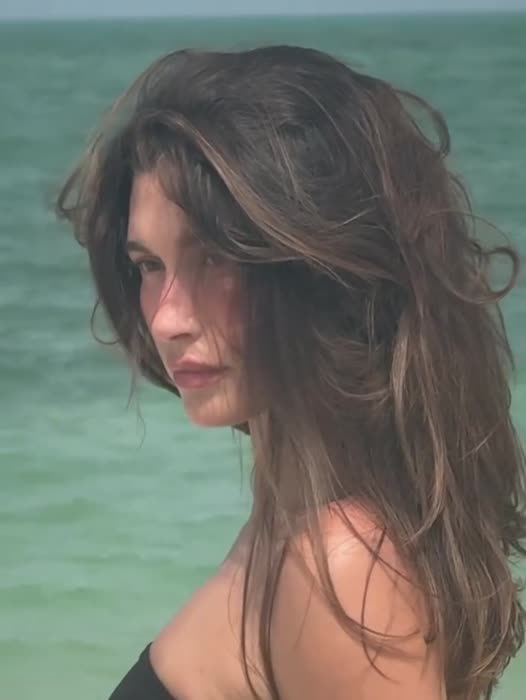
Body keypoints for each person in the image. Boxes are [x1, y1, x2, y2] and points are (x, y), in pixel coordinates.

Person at [55, 45, 526, 700]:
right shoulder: (293, 514)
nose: (166, 320)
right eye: (149, 266)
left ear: (321, 269)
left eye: (214, 257)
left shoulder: (343, 570)